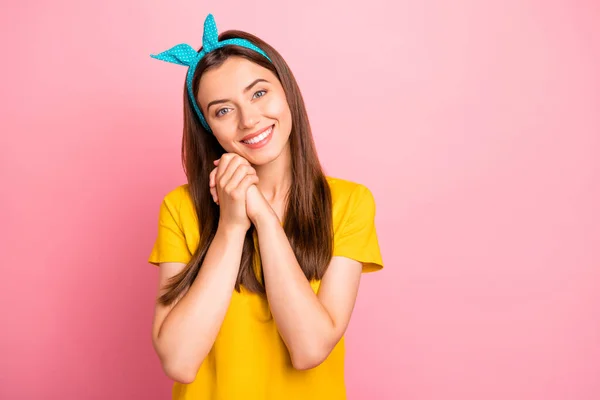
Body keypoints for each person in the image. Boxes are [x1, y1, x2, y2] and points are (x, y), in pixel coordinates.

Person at [148, 13, 384, 400]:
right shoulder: (181, 208)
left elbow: (310, 349)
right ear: (208, 126)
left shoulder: (350, 203)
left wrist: (263, 217)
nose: (249, 120)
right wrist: (231, 225)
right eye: (223, 110)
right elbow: (178, 360)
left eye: (259, 93)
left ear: (287, 91)